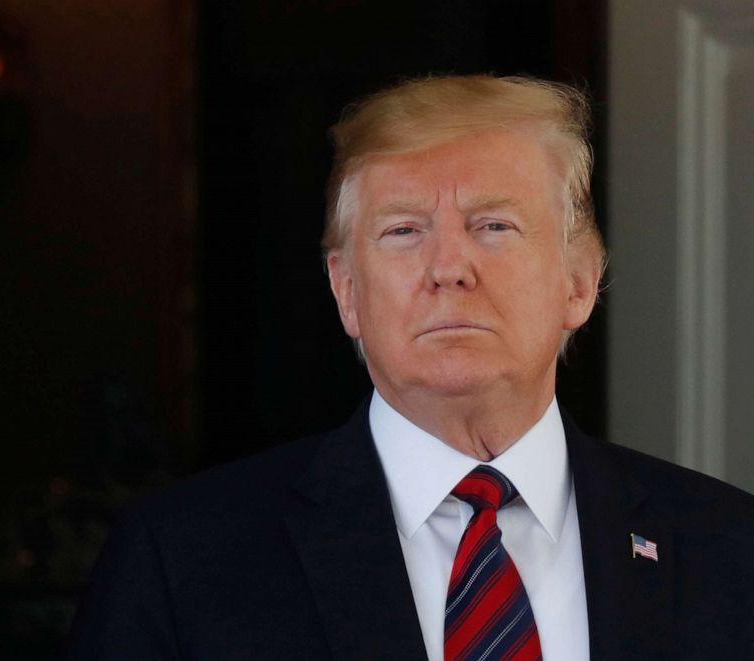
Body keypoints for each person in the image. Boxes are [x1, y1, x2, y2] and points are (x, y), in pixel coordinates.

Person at [65, 75, 754, 660]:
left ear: (578, 282)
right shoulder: (183, 558)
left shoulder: (727, 549)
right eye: (403, 231)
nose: (449, 267)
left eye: (494, 226)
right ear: (346, 292)